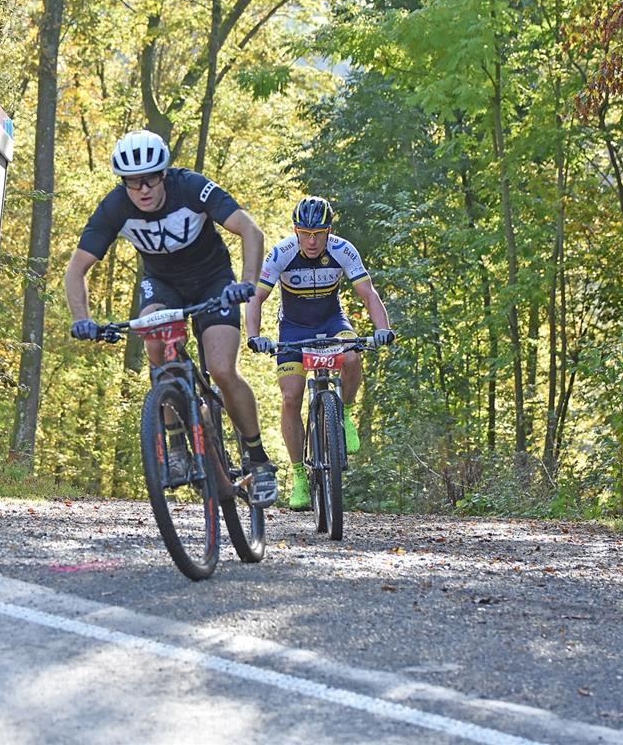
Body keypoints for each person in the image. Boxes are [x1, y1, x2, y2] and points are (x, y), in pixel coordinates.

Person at [64, 129, 279, 507]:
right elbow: (75, 270)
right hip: (162, 285)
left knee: (222, 369)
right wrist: (82, 318)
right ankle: (176, 439)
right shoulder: (115, 207)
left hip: (214, 283)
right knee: (154, 340)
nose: (142, 189)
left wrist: (246, 284)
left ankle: (257, 458)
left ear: (164, 173)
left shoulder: (191, 187)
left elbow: (251, 230)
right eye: (132, 182)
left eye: (150, 178)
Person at [244, 196, 394, 510]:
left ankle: (345, 414)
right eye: (305, 233)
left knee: (352, 355)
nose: (312, 241)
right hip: (294, 327)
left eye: (319, 234)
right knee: (291, 395)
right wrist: (255, 337)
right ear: (296, 231)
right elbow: (256, 299)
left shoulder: (343, 250)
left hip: (331, 320)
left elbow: (367, 293)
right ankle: (300, 476)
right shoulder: (281, 253)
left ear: (329, 231)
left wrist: (383, 328)